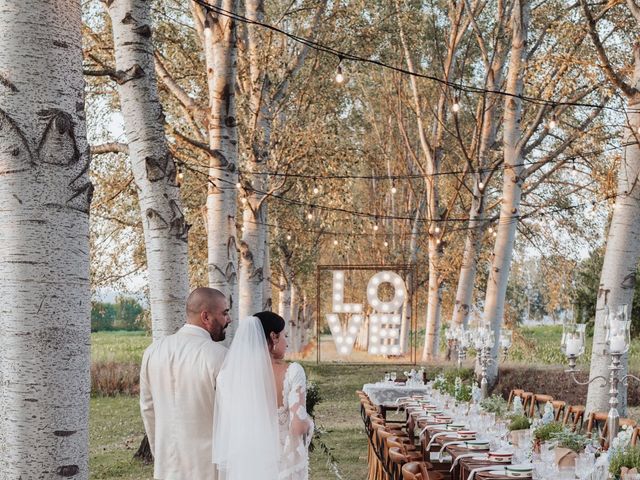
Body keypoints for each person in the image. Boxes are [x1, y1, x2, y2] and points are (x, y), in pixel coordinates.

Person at [140, 287, 231, 480]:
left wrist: (161, 453)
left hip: (166, 465)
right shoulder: (220, 356)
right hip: (207, 466)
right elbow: (231, 417)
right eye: (224, 313)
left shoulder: (152, 351)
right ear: (206, 316)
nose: (228, 320)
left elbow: (148, 409)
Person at [212, 312, 314, 480]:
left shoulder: (226, 377)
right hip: (279, 465)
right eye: (284, 336)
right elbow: (299, 427)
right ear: (273, 337)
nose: (286, 342)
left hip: (245, 464)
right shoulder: (292, 371)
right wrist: (309, 422)